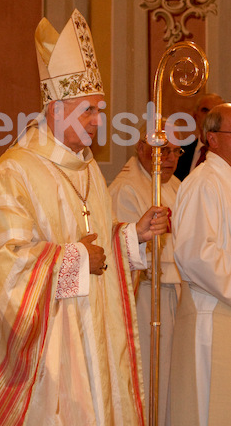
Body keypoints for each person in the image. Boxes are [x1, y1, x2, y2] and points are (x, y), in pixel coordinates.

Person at [0, 9, 169, 425]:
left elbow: (94, 239)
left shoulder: (88, 168)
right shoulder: (15, 171)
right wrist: (73, 260)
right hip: (55, 351)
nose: (99, 121)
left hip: (94, 336)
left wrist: (131, 236)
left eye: (99, 110)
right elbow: (2, 261)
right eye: (89, 111)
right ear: (56, 111)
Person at [109, 122, 183, 426]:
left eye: (176, 151)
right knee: (151, 372)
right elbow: (127, 251)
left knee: (169, 375)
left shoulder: (175, 185)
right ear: (142, 148)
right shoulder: (127, 187)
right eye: (162, 150)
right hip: (144, 295)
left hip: (173, 292)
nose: (169, 158)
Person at [171, 103, 231, 425]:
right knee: (210, 410)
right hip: (212, 312)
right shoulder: (203, 182)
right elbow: (197, 254)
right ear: (213, 138)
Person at [174, 92, 224, 181]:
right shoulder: (180, 154)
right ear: (195, 116)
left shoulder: (227, 154)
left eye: (215, 112)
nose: (209, 116)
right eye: (205, 110)